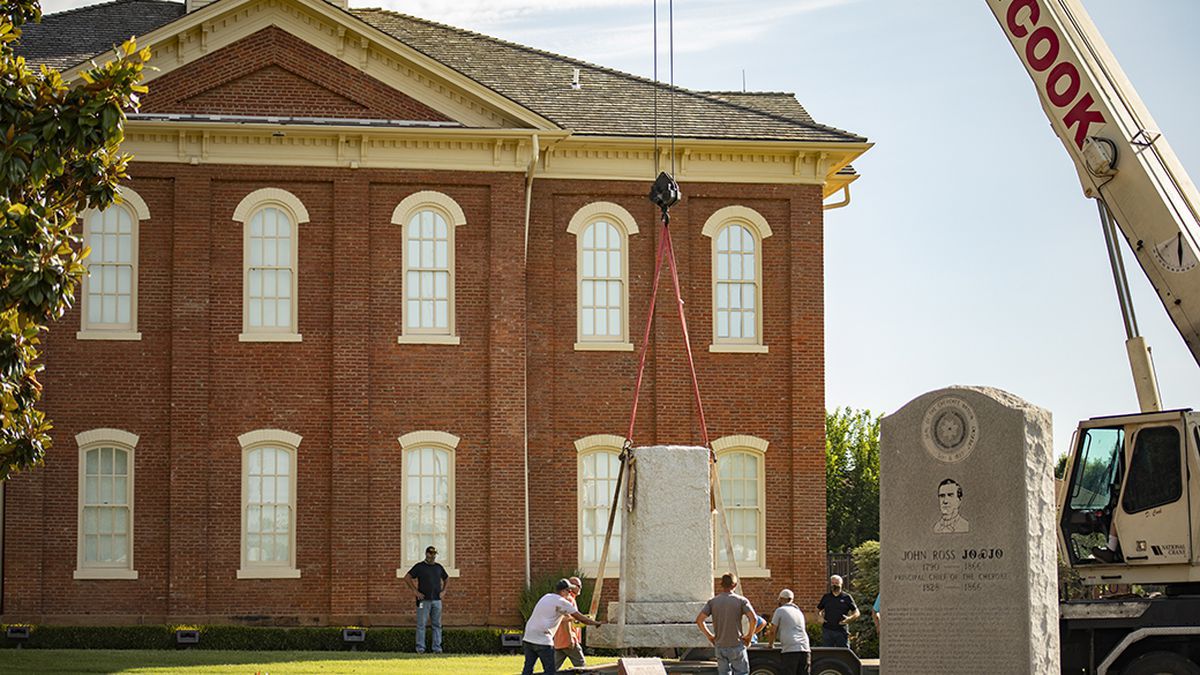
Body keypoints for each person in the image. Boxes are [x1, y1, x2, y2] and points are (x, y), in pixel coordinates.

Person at [523, 578, 603, 675]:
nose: (570, 593)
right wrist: (596, 623)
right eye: (569, 591)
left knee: (528, 668)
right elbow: (582, 618)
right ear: (563, 591)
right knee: (550, 671)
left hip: (528, 637)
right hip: (543, 639)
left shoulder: (546, 596)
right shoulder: (563, 602)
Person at [695, 573, 758, 675]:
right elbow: (753, 619)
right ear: (734, 585)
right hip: (736, 644)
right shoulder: (741, 601)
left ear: (721, 584)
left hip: (720, 645)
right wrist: (749, 637)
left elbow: (699, 620)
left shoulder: (713, 602)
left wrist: (710, 637)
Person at [404, 546, 449, 654]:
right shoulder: (419, 567)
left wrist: (444, 591)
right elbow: (407, 577)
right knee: (421, 625)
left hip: (437, 601)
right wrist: (415, 591)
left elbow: (446, 578)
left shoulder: (439, 567)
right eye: (430, 554)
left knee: (437, 625)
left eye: (434, 554)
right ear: (426, 554)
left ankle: (437, 648)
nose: (432, 556)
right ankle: (420, 648)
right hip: (422, 601)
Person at [767, 588, 810, 675]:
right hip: (805, 647)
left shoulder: (780, 610)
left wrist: (770, 644)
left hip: (790, 649)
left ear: (782, 599)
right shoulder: (799, 612)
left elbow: (772, 631)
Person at [553, 576, 586, 669]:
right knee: (582, 667)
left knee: (552, 668)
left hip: (559, 640)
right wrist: (571, 638)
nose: (580, 588)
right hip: (568, 639)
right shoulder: (569, 599)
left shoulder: (565, 598)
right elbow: (566, 619)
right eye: (579, 586)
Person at [817, 575, 858, 648]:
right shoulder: (826, 597)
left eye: (836, 583)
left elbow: (857, 612)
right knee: (827, 653)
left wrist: (850, 618)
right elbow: (818, 610)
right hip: (827, 630)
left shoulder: (846, 597)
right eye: (832, 583)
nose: (834, 585)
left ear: (841, 584)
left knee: (844, 653)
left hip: (841, 630)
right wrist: (820, 617)